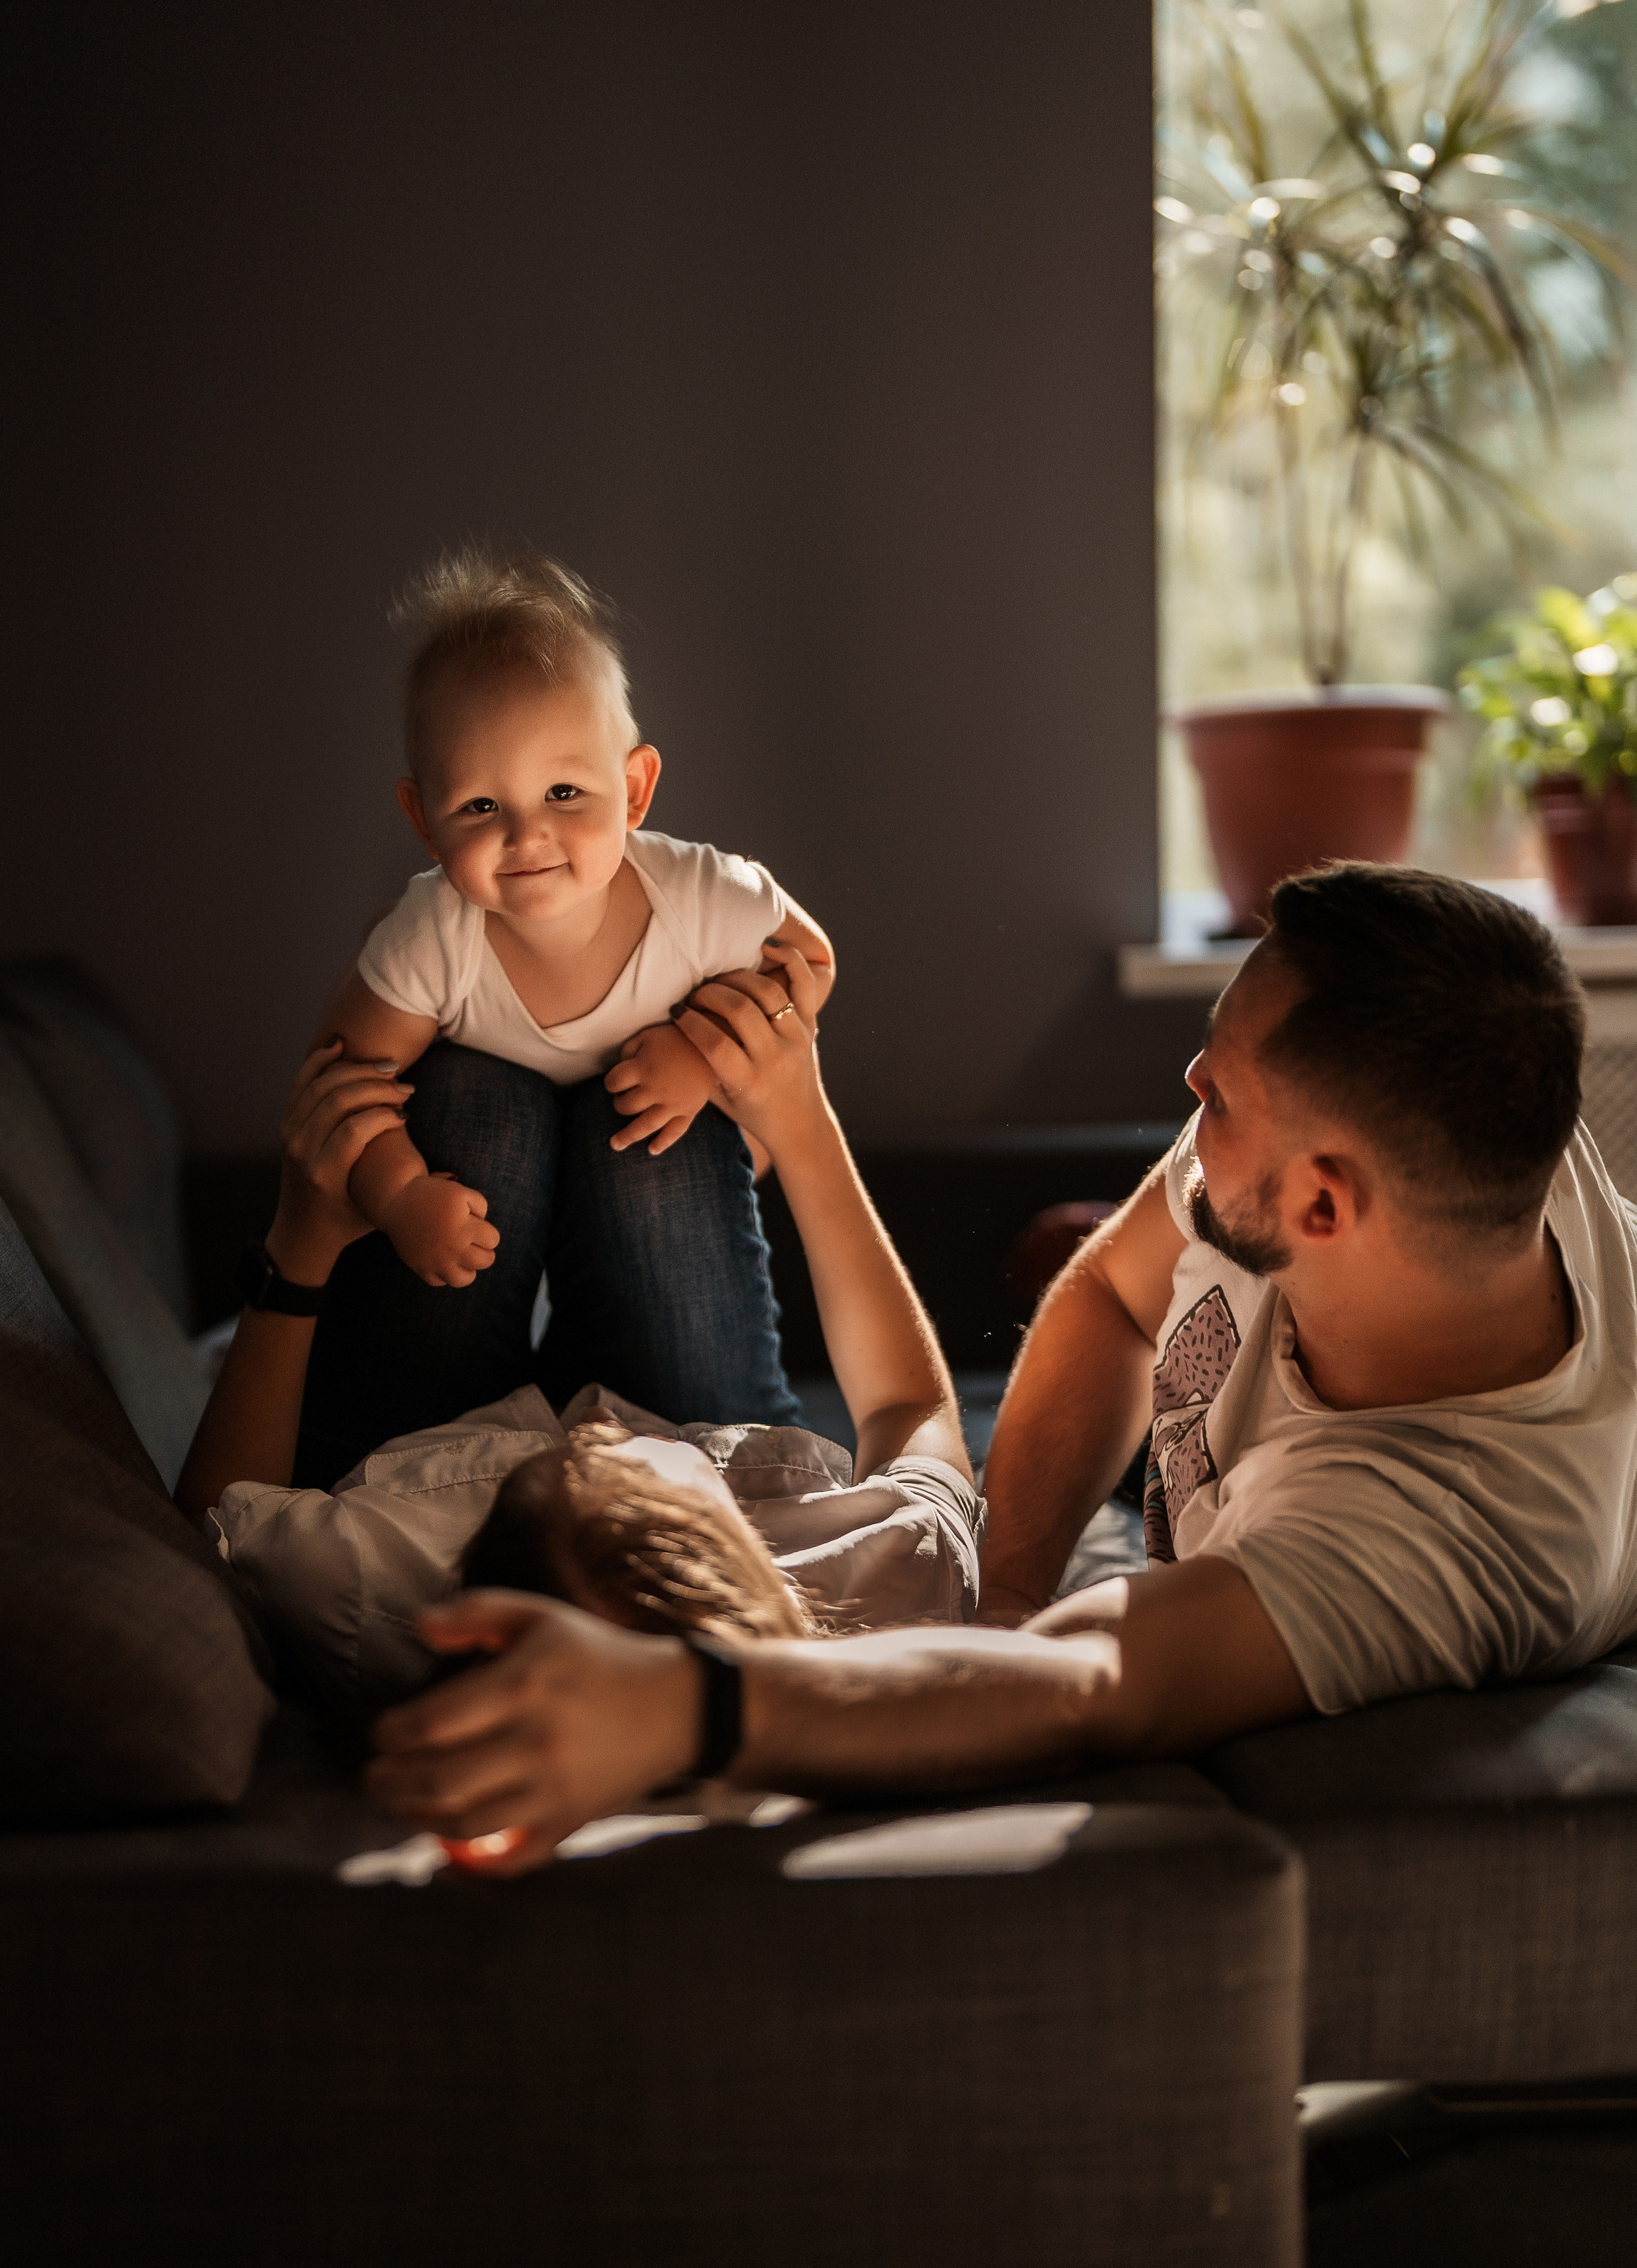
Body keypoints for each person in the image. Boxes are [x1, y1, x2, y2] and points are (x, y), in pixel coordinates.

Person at [361, 864, 1637, 1873]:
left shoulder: (1443, 1538)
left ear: (1319, 1207)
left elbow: (1098, 1683)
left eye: (1222, 1095)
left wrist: (677, 1704)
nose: (1188, 1086)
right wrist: (1008, 1584)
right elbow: (1110, 1299)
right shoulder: (1462, 1106)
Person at [177, 944, 980, 1723]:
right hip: (691, 1406)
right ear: (729, 1525)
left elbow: (212, 1518)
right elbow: (910, 1406)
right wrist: (800, 1121)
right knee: (652, 1128)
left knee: (476, 1099)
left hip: (415, 1446)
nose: (592, 1427)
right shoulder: (881, 1576)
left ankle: (459, 963)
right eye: (632, 1457)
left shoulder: (369, 1582)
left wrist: (302, 1239)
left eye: (571, 1461)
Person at [292, 548, 834, 1482]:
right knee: (471, 1098)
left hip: (657, 1230)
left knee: (655, 1133)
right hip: (471, 1260)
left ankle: (724, 1455)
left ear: (634, 791)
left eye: (564, 794)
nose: (526, 834)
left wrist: (702, 1054)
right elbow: (344, 1090)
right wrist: (397, 1194)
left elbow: (812, 962)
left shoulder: (700, 895)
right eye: (480, 805)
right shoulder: (432, 935)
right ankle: (415, 1454)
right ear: (424, 823)